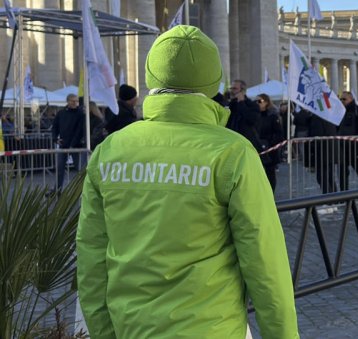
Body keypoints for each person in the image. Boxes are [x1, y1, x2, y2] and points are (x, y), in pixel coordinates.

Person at [76, 25, 297, 338]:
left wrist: (104, 332)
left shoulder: (109, 151)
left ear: (152, 76)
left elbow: (91, 258)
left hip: (132, 329)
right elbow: (265, 263)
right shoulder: (233, 153)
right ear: (211, 81)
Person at [51, 94, 87, 190]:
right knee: (60, 169)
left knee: (80, 169)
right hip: (63, 145)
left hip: (77, 146)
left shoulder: (81, 114)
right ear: (68, 101)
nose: (75, 103)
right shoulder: (61, 113)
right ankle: (57, 189)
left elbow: (79, 131)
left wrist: (73, 145)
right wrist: (55, 138)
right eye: (73, 101)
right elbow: (55, 127)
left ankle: (83, 190)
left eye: (76, 101)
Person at [256, 95, 286, 191]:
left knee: (270, 174)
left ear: (266, 102)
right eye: (256, 101)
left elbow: (279, 134)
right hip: (257, 148)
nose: (257, 103)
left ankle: (270, 194)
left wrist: (270, 144)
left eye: (260, 101)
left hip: (269, 149)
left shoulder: (272, 116)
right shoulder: (254, 116)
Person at [226, 80, 264, 153]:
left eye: (234, 88)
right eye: (231, 88)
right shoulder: (230, 104)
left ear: (242, 91)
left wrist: (241, 102)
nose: (231, 91)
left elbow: (251, 119)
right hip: (231, 141)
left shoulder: (252, 105)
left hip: (246, 142)